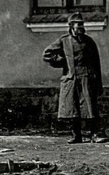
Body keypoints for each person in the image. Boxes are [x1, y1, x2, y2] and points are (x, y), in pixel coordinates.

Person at [43, 13, 105, 143]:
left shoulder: (89, 42)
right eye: (78, 25)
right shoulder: (64, 41)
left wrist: (98, 84)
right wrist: (62, 62)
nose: (81, 27)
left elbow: (96, 63)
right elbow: (47, 55)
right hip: (71, 79)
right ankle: (76, 135)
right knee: (73, 109)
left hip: (86, 78)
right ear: (71, 26)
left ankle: (94, 134)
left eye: (82, 24)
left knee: (90, 108)